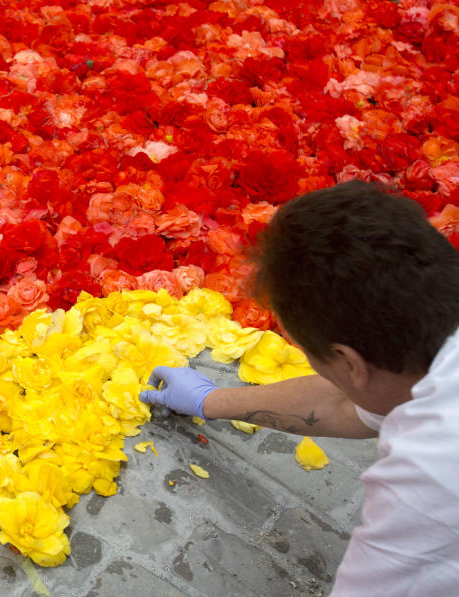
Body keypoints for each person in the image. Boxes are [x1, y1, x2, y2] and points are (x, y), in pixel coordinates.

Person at [139, 180, 459, 596]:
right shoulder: (425, 360)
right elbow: (350, 404)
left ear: (348, 362)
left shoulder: (430, 471)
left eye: (310, 354)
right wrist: (209, 400)